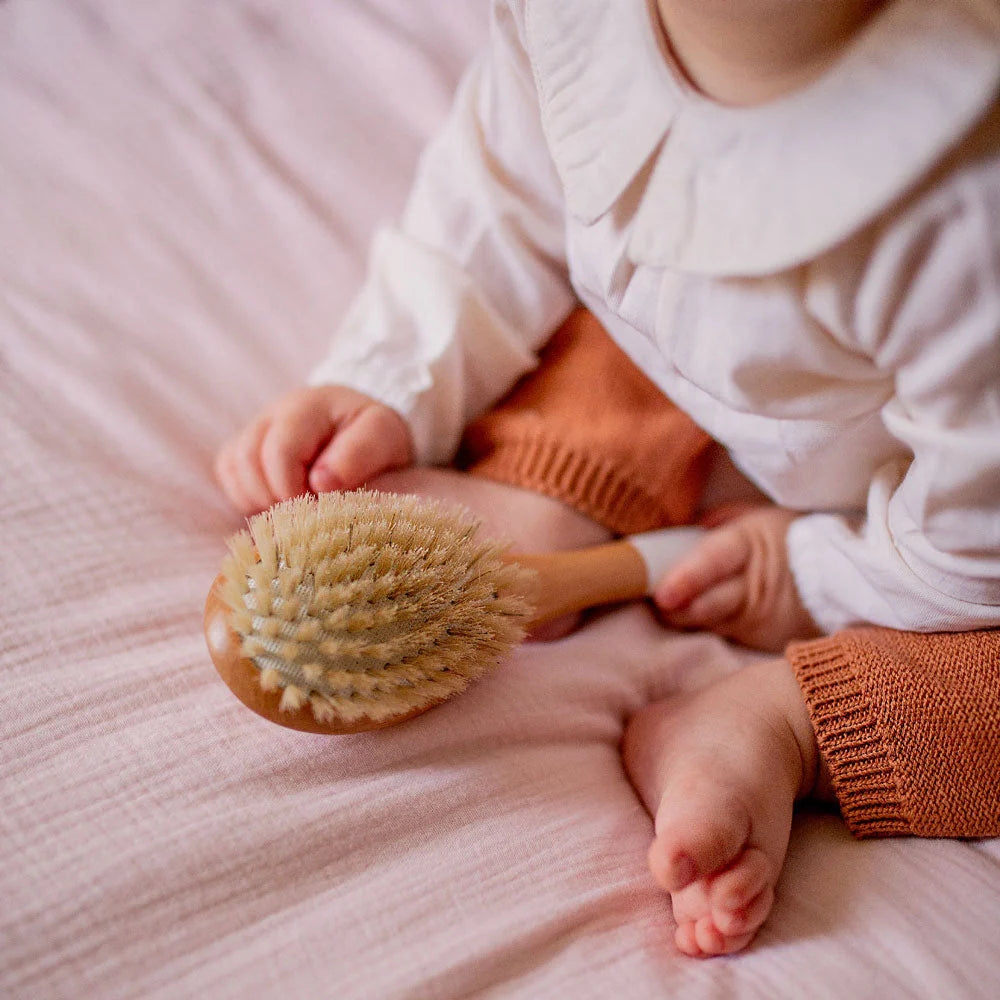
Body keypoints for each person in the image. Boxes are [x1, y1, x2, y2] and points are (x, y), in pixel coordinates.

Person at [215, 0, 1000, 958]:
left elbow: (975, 549)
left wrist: (810, 575)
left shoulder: (966, 201)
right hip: (745, 359)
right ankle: (557, 483)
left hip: (960, 517)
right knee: (630, 298)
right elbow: (502, 193)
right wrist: (391, 374)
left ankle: (789, 726)